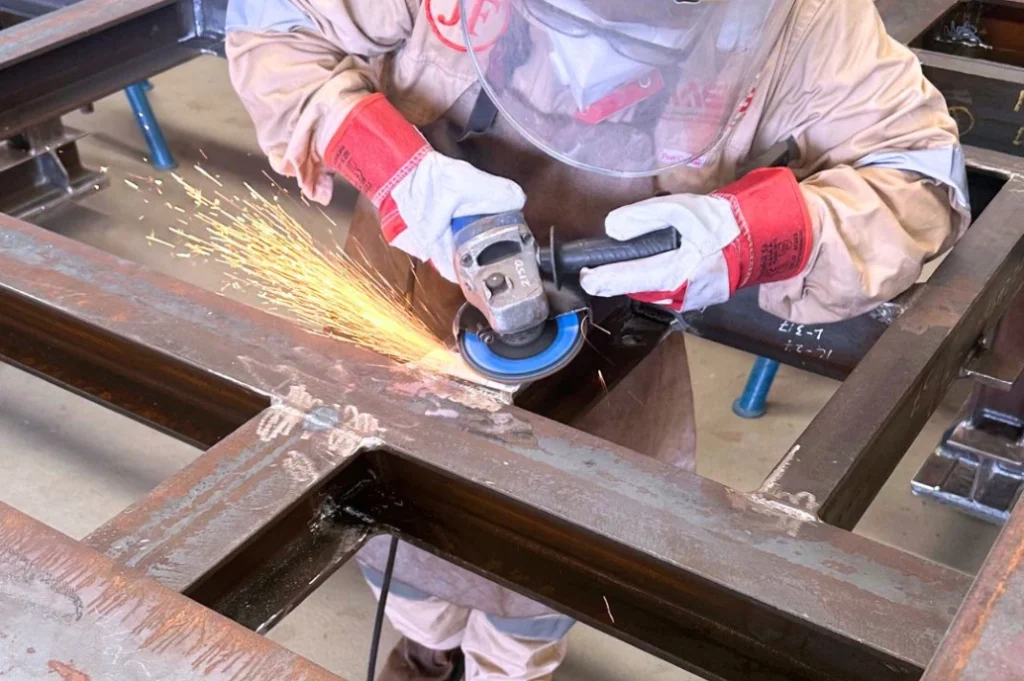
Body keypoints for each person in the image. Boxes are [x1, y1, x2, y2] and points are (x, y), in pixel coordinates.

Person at [225, 0, 971, 679]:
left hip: (616, 344)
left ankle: (507, 669)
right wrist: (395, 169)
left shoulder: (804, 20)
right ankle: (425, 647)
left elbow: (918, 177)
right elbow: (274, 24)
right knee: (393, 532)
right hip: (408, 280)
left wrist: (753, 234)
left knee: (549, 567)